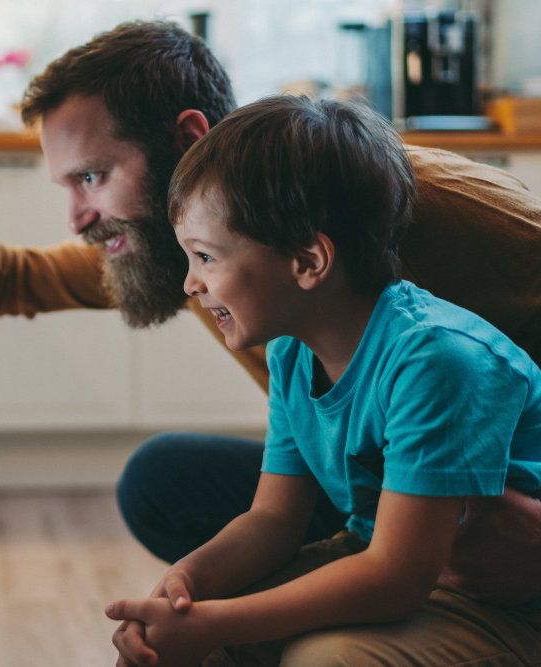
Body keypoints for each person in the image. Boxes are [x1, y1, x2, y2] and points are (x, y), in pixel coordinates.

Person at [0, 20, 541, 604]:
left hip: (501, 497)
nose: (78, 216)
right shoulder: (187, 250)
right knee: (163, 481)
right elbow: (10, 280)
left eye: (93, 176)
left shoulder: (409, 201)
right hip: (387, 493)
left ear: (186, 137)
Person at [104, 94, 541, 667]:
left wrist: (213, 623)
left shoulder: (436, 360)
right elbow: (273, 519)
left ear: (309, 262)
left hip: (499, 602)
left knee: (325, 659)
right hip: (377, 555)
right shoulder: (291, 352)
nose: (191, 283)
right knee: (186, 641)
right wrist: (188, 583)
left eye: (206, 257)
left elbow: (397, 578)